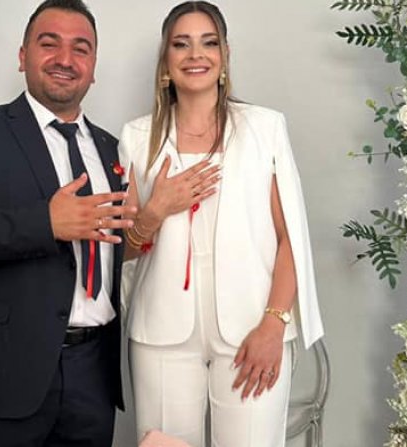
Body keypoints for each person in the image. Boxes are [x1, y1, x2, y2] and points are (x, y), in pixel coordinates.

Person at [0, 1, 135, 445]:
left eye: (81, 49)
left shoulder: (114, 149)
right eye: (49, 44)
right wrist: (44, 223)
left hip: (93, 376)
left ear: (93, 67)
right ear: (22, 56)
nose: (65, 59)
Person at [119, 2, 325, 446]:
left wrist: (273, 325)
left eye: (208, 43)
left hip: (252, 329)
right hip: (161, 334)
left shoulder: (264, 128)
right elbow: (124, 249)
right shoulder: (136, 137)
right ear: (165, 60)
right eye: (181, 44)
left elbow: (290, 238)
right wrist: (155, 211)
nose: (196, 54)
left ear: (225, 55)